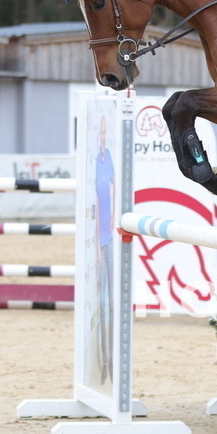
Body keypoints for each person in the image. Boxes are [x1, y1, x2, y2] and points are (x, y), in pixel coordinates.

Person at [94, 113, 116, 386]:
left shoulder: (107, 155)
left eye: (104, 132)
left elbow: (113, 186)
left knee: (111, 301)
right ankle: (102, 362)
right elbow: (95, 199)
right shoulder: (92, 161)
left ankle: (110, 362)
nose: (103, 138)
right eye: (100, 133)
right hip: (98, 239)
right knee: (101, 303)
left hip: (109, 234)